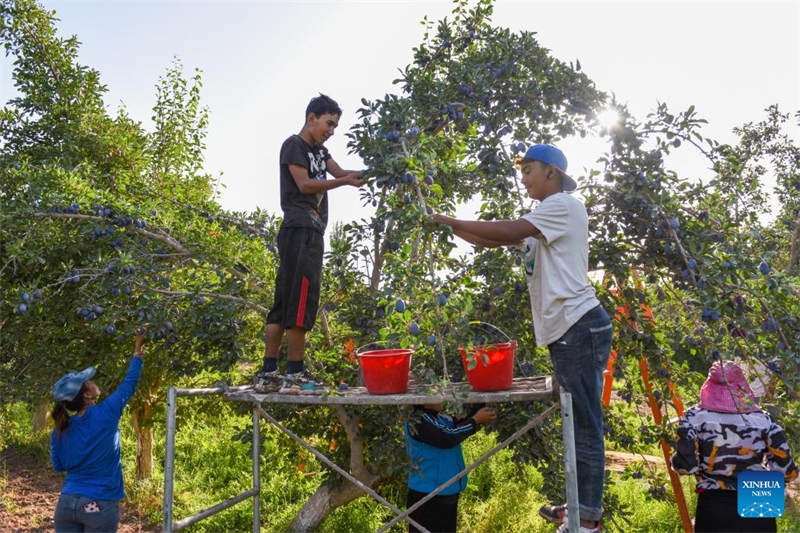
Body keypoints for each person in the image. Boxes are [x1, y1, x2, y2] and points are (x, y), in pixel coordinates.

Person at [430, 144, 612, 533]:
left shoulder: (564, 205)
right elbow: (490, 239)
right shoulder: (543, 218)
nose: (523, 177)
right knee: (576, 421)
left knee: (585, 424)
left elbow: (510, 229)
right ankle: (580, 508)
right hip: (567, 330)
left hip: (578, 325)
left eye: (528, 170)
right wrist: (445, 225)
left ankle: (588, 520)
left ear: (550, 172)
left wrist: (448, 218)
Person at [254, 93, 366, 394]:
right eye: (328, 123)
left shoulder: (320, 151)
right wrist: (343, 182)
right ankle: (294, 374)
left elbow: (343, 173)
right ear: (311, 118)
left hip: (305, 230)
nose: (331, 130)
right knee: (301, 301)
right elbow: (305, 185)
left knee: (285, 301)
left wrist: (368, 174)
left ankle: (269, 374)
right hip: (302, 227)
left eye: (335, 126)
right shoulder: (294, 145)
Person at [671, 359, 798, 533]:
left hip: (713, 504)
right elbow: (787, 472)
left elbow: (686, 467)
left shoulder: (693, 418)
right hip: (758, 496)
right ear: (742, 385)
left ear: (708, 385)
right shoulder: (763, 420)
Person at [50, 328, 147, 533]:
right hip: (99, 503)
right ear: (86, 394)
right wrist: (138, 348)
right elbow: (129, 383)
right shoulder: (106, 413)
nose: (94, 382)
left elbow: (58, 467)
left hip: (67, 504)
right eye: (89, 382)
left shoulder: (59, 430)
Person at [404, 403, 498, 533]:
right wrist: (475, 420)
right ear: (425, 400)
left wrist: (480, 406)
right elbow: (447, 437)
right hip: (427, 494)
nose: (443, 398)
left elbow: (460, 426)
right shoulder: (417, 421)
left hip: (447, 490)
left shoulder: (441, 418)